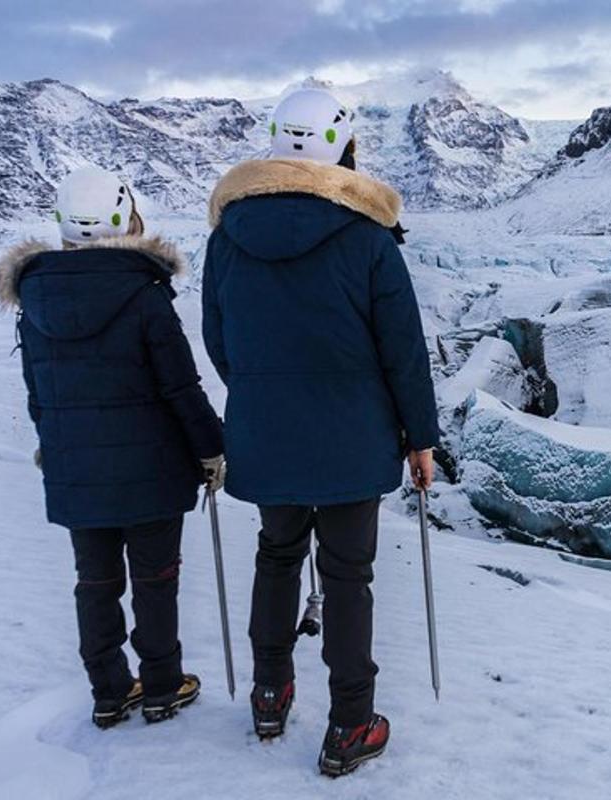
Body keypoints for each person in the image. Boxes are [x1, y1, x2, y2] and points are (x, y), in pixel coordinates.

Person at [202, 88, 439, 777]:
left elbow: (221, 340)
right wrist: (418, 438)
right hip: (352, 435)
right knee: (346, 575)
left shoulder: (228, 238)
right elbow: (402, 349)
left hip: (266, 431)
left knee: (277, 555)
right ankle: (350, 723)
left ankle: (269, 695)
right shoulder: (367, 237)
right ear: (342, 145)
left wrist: (262, 398)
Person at [0, 167, 225, 728]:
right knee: (155, 581)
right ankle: (163, 687)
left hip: (78, 469)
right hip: (152, 470)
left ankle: (108, 690)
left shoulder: (36, 298)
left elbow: (39, 393)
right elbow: (180, 387)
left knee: (94, 582)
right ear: (122, 218)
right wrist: (211, 450)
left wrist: (54, 447)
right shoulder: (144, 294)